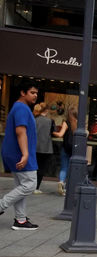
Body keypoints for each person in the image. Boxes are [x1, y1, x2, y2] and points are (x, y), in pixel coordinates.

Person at [0, 79, 39, 230]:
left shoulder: (18, 107)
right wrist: (25, 154)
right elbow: (20, 132)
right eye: (32, 92)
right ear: (23, 93)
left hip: (13, 153)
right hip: (20, 153)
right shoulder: (22, 108)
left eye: (36, 93)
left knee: (21, 186)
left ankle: (20, 220)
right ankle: (1, 205)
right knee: (30, 185)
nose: (35, 95)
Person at [52, 105, 78, 196]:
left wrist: (52, 132)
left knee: (64, 167)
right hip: (75, 150)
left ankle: (61, 182)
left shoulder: (66, 123)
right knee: (72, 169)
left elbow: (60, 135)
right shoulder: (79, 124)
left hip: (65, 148)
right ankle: (68, 187)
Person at [33, 102, 55, 194]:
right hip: (45, 148)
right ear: (47, 110)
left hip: (34, 147)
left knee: (32, 167)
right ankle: (36, 187)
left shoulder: (34, 119)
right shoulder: (50, 121)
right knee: (41, 168)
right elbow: (52, 133)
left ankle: (29, 185)